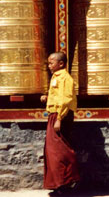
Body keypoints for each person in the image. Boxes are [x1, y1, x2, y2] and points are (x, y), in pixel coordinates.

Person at [40, 51, 80, 196]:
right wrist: (47, 97)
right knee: (53, 151)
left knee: (59, 152)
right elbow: (58, 96)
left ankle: (67, 182)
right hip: (55, 115)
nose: (49, 65)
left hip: (60, 116)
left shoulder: (65, 78)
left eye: (51, 63)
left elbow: (66, 100)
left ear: (61, 64)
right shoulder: (56, 77)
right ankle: (59, 184)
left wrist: (59, 119)